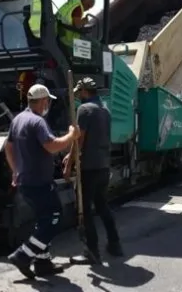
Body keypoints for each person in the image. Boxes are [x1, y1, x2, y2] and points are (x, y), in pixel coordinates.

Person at [5, 84, 80, 279]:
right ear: (42, 101)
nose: (48, 104)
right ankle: (23, 255)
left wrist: (15, 171)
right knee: (53, 220)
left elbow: (9, 147)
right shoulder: (38, 122)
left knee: (43, 220)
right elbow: (52, 146)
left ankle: (43, 263)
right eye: (47, 101)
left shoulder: (18, 119)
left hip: (25, 181)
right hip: (39, 182)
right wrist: (72, 136)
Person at [66, 77, 123, 265]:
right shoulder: (105, 111)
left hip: (89, 167)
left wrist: (70, 162)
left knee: (85, 210)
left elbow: (78, 140)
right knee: (102, 205)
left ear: (84, 91)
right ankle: (115, 243)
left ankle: (91, 251)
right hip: (103, 166)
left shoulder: (84, 110)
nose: (78, 96)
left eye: (79, 92)